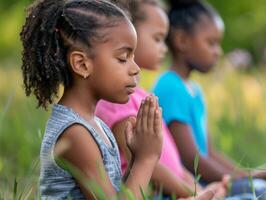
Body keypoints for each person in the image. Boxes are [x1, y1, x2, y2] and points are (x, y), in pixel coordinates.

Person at [20, 0, 163, 199]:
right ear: (82, 64)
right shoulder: (74, 133)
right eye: (123, 58)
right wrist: (147, 159)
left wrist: (136, 160)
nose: (135, 69)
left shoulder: (97, 126)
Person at [152, 0, 266, 199]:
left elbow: (209, 151)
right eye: (211, 43)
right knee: (262, 190)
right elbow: (192, 159)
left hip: (208, 180)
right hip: (191, 186)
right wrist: (246, 178)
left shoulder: (194, 90)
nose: (218, 51)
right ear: (182, 40)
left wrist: (247, 173)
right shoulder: (169, 86)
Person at [96, 0, 230, 199]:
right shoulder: (116, 101)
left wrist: (201, 191)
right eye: (157, 38)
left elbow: (174, 164)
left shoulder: (141, 96)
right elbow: (148, 166)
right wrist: (198, 192)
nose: (165, 48)